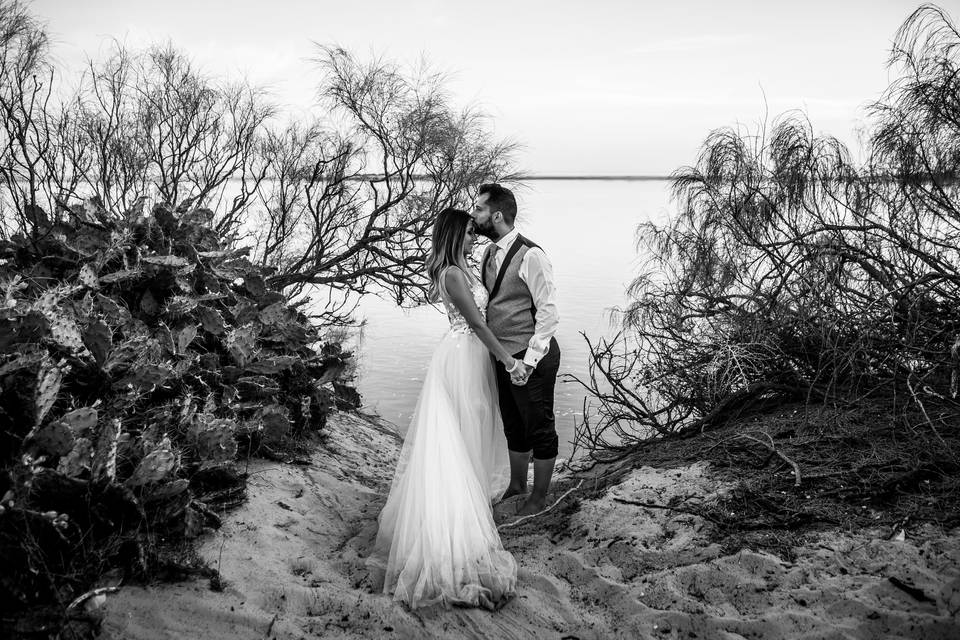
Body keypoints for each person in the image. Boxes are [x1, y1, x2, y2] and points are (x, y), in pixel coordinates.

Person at [367, 208, 518, 610]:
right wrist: (509, 360)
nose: (474, 238)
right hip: (463, 356)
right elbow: (478, 325)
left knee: (472, 431)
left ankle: (473, 504)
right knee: (460, 435)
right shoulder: (452, 273)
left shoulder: (461, 268)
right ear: (454, 236)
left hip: (468, 355)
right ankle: (458, 525)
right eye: (469, 233)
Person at [471, 183, 561, 517]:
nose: (473, 214)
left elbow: (549, 313)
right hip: (503, 356)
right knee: (513, 424)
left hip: (529, 356)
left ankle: (539, 497)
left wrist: (529, 362)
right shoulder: (487, 253)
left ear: (496, 215)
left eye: (478, 208)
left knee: (539, 425)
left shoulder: (532, 255)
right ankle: (517, 485)